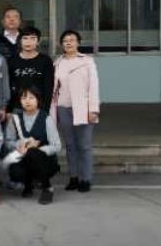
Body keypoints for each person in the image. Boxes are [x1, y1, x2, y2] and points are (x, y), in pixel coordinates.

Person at [53, 30, 100, 193]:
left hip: (83, 108)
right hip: (63, 107)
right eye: (65, 40)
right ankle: (73, 177)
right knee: (70, 145)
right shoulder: (58, 62)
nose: (68, 43)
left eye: (72, 40)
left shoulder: (87, 61)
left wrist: (93, 109)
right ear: (61, 44)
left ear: (78, 43)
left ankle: (85, 178)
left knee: (84, 145)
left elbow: (93, 87)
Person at [6, 86, 61, 205]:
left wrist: (38, 148)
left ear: (38, 100)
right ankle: (28, 184)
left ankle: (47, 188)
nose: (27, 101)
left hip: (45, 161)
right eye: (24, 98)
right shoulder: (15, 119)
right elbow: (8, 141)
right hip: (23, 157)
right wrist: (19, 145)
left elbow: (57, 145)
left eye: (31, 98)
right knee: (15, 171)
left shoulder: (46, 118)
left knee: (33, 153)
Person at [8, 25, 54, 112]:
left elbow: (48, 88)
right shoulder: (12, 60)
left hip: (39, 107)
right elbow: (8, 86)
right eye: (25, 38)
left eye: (33, 38)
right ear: (20, 41)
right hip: (17, 107)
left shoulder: (45, 60)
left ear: (38, 42)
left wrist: (45, 110)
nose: (28, 42)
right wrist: (9, 109)